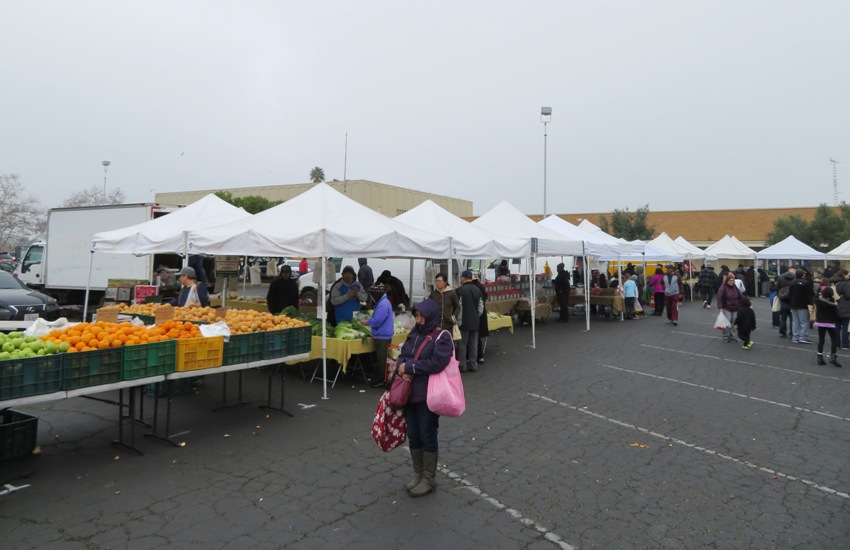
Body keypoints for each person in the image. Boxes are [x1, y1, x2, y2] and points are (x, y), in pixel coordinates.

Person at [395, 299, 454, 497]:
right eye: (416, 316)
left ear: (430, 316)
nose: (419, 320)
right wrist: (401, 369)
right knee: (413, 434)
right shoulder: (414, 333)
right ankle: (418, 474)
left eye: (422, 316)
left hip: (428, 395)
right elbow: (402, 356)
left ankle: (429, 479)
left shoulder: (442, 337)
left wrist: (410, 367)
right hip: (409, 393)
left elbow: (437, 363)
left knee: (427, 434)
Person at [366, 283, 395, 387]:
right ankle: (382, 379)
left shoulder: (383, 304)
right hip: (383, 334)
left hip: (383, 336)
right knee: (382, 359)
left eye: (372, 295)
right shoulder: (383, 302)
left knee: (382, 360)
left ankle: (383, 380)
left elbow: (378, 320)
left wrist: (368, 322)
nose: (372, 297)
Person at [455, 270, 484, 373]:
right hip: (475, 321)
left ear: (463, 278)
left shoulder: (459, 291)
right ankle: (473, 365)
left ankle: (462, 366)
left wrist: (458, 320)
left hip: (463, 322)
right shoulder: (478, 290)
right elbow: (481, 307)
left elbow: (459, 308)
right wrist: (476, 316)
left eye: (461, 277)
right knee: (473, 344)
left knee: (462, 345)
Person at [814, 286, 842, 367]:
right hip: (830, 323)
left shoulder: (818, 301)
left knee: (821, 340)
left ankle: (819, 356)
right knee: (834, 340)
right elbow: (836, 315)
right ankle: (833, 356)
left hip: (820, 322)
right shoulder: (832, 304)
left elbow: (814, 298)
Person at [788, 268, 814, 344]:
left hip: (793, 304)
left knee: (795, 322)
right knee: (804, 322)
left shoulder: (792, 282)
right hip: (803, 304)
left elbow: (790, 294)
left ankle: (795, 337)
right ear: (803, 275)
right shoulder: (805, 283)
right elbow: (810, 294)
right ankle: (803, 337)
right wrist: (811, 303)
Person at [716, 273, 743, 343]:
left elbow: (741, 296)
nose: (731, 282)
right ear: (727, 281)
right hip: (726, 307)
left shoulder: (735, 287)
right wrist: (720, 307)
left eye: (732, 280)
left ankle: (732, 336)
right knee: (727, 322)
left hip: (735, 308)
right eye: (730, 280)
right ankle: (725, 336)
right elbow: (719, 298)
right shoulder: (723, 287)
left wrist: (744, 302)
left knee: (734, 322)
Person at [469, 274, 489, 363]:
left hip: (474, 314)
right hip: (481, 314)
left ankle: (473, 356)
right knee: (478, 336)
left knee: (473, 337)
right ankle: (480, 356)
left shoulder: (473, 289)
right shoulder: (481, 287)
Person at [776, 265, 797, 339]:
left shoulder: (781, 277)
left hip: (783, 299)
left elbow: (777, 287)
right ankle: (792, 333)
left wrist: (779, 296)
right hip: (792, 300)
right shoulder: (795, 278)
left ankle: (782, 333)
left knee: (783, 318)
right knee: (793, 318)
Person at [833, 269, 850, 350]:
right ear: (844, 275)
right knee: (846, 327)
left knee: (837, 326)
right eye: (848, 275)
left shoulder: (834, 283)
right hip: (845, 308)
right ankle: (845, 345)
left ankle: (836, 344)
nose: (849, 277)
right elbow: (848, 296)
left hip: (836, 307)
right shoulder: (845, 284)